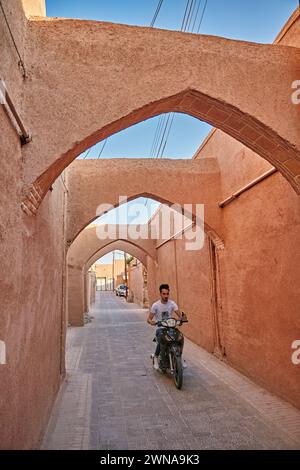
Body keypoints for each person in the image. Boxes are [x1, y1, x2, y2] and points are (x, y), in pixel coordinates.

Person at [147, 283, 183, 370]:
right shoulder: (156, 305)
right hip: (161, 328)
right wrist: (152, 322)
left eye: (167, 294)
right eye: (164, 294)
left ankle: (179, 357)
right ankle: (156, 357)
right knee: (162, 339)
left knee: (180, 337)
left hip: (171, 327)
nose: (166, 296)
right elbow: (149, 319)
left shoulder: (172, 303)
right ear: (160, 293)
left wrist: (182, 319)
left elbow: (179, 314)